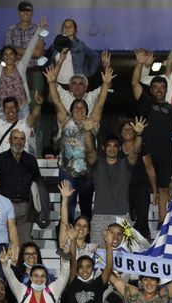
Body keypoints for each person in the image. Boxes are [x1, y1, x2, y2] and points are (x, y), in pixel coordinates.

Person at [46, 64, 113, 222]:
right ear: (71, 109)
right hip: (67, 172)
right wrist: (51, 82)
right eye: (76, 107)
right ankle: (65, 241)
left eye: (82, 108)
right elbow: (56, 100)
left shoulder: (92, 121)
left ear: (86, 110)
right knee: (67, 207)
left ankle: (86, 241)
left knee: (85, 209)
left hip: (88, 173)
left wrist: (105, 84)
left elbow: (100, 103)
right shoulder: (65, 119)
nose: (79, 110)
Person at [131, 50, 172, 222]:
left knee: (164, 189)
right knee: (142, 188)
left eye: (162, 87)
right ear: (151, 89)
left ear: (166, 89)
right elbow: (135, 83)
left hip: (166, 155)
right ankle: (141, 223)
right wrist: (140, 64)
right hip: (145, 153)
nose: (159, 90)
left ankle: (161, 223)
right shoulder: (145, 102)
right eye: (156, 87)